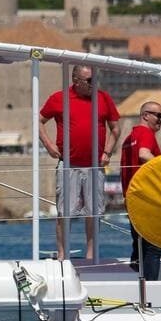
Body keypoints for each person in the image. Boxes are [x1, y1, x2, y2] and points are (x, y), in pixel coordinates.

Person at [38, 65, 121, 261]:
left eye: (95, 80)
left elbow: (115, 128)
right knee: (64, 212)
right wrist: (49, 145)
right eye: (89, 80)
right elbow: (39, 121)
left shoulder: (103, 98)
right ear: (76, 80)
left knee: (94, 212)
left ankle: (91, 255)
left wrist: (108, 152)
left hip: (95, 165)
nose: (94, 84)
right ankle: (62, 254)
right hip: (68, 164)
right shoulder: (59, 98)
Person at [120, 100, 161, 280]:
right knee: (154, 246)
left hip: (132, 199)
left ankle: (140, 288)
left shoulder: (128, 139)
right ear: (145, 115)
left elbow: (125, 169)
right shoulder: (146, 133)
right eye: (158, 115)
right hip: (147, 198)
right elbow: (144, 154)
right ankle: (151, 292)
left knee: (139, 245)